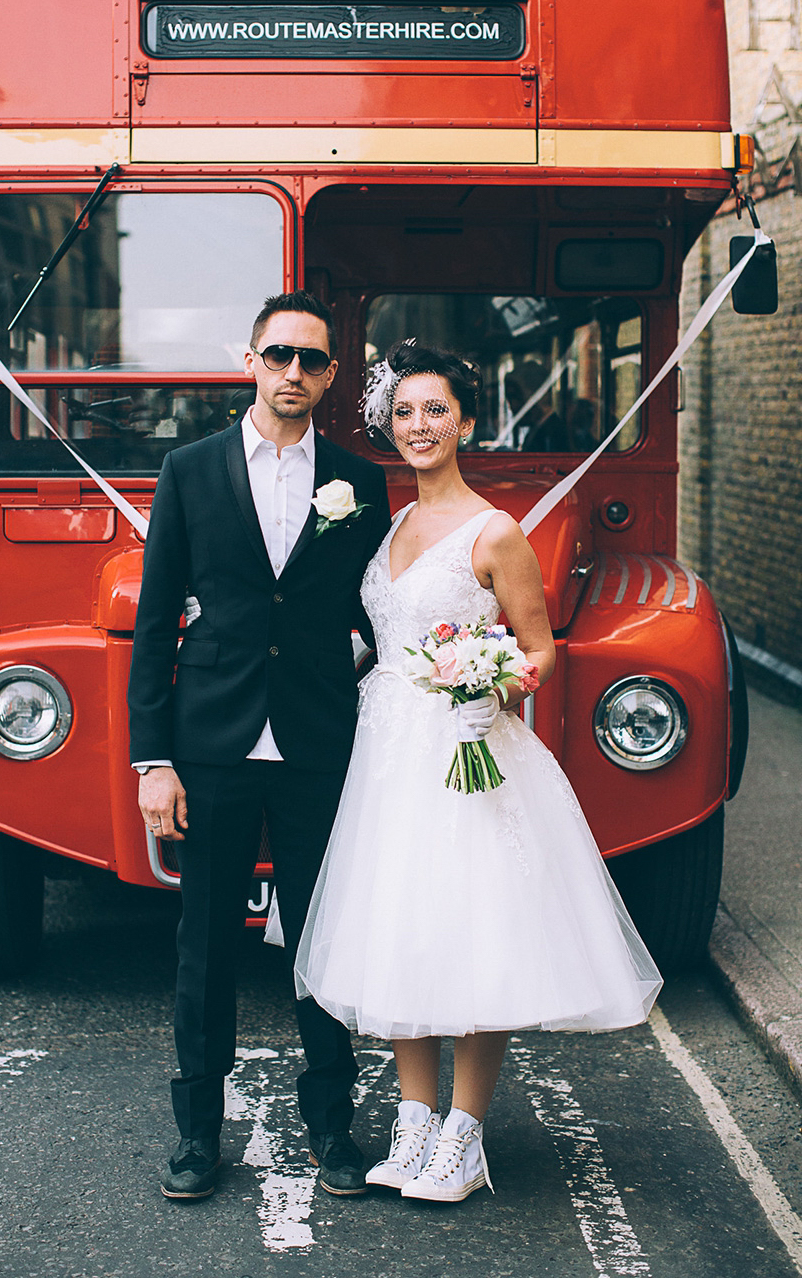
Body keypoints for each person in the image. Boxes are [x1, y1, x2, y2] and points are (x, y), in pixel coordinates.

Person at [294, 340, 661, 1203]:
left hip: (469, 752)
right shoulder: (382, 526)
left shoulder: (496, 533)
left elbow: (538, 649)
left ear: (465, 423)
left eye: (437, 411)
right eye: (406, 411)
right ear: (391, 423)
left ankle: (464, 1135)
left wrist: (490, 684)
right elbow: (375, 637)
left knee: (478, 929)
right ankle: (412, 1121)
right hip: (386, 752)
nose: (420, 425)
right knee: (399, 929)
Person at [127, 291, 391, 1202]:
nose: (293, 373)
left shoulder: (363, 481)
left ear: (328, 377)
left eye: (312, 361)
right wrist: (151, 761)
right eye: (278, 354)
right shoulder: (189, 470)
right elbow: (156, 620)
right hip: (212, 745)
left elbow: (377, 609)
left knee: (324, 940)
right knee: (205, 944)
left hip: (320, 741)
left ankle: (332, 1128)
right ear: (250, 360)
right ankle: (198, 1135)